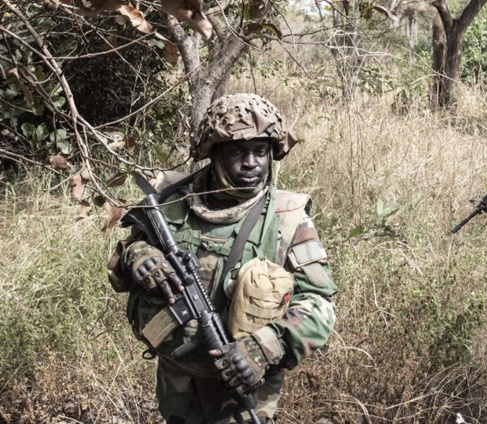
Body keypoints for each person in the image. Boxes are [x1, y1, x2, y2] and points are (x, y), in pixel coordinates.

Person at [108, 93, 338, 424]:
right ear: (215, 154)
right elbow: (120, 274)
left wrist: (262, 348)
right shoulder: (171, 205)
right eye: (237, 152)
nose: (251, 163)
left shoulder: (287, 218)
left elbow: (319, 305)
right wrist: (140, 255)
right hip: (178, 381)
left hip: (243, 384)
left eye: (260, 151)